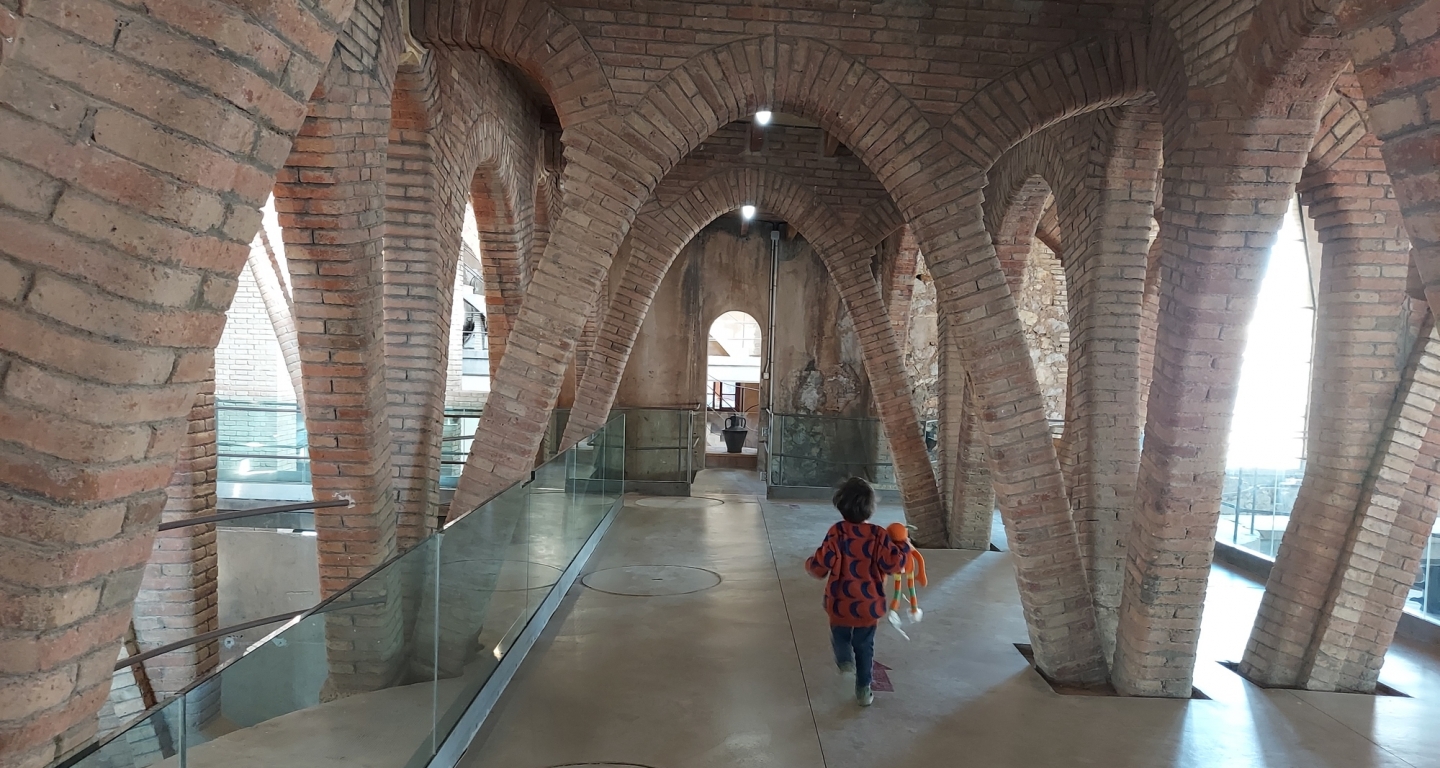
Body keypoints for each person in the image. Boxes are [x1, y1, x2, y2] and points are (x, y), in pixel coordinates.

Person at [804, 477, 909, 706]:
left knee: (840, 634)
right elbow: (894, 565)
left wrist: (810, 564)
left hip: (839, 602)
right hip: (867, 606)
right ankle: (863, 689)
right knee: (865, 646)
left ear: (840, 505)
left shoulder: (836, 532)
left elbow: (820, 565)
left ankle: (844, 662)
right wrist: (903, 547)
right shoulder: (879, 535)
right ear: (870, 508)